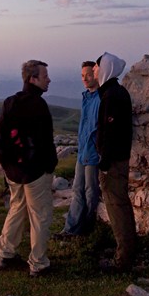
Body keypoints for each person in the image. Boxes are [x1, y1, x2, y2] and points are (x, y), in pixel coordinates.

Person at [0, 59, 58, 277]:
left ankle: (6, 254)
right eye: (45, 76)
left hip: (14, 172)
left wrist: (9, 166)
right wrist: (49, 166)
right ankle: (38, 264)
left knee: (17, 208)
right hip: (36, 172)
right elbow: (46, 142)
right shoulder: (38, 106)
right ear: (33, 79)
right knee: (40, 215)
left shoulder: (10, 102)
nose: (49, 80)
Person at [94, 52, 136, 272]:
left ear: (106, 69)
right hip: (118, 158)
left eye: (97, 67)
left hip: (114, 161)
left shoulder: (111, 96)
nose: (94, 70)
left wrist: (104, 161)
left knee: (116, 205)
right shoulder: (116, 92)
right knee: (120, 203)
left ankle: (123, 259)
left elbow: (110, 131)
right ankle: (126, 248)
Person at [56, 61, 101, 239]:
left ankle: (86, 229)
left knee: (90, 191)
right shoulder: (86, 97)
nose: (84, 78)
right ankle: (70, 229)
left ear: (96, 75)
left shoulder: (100, 98)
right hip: (83, 152)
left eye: (88, 75)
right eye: (82, 75)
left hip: (93, 153)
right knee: (77, 189)